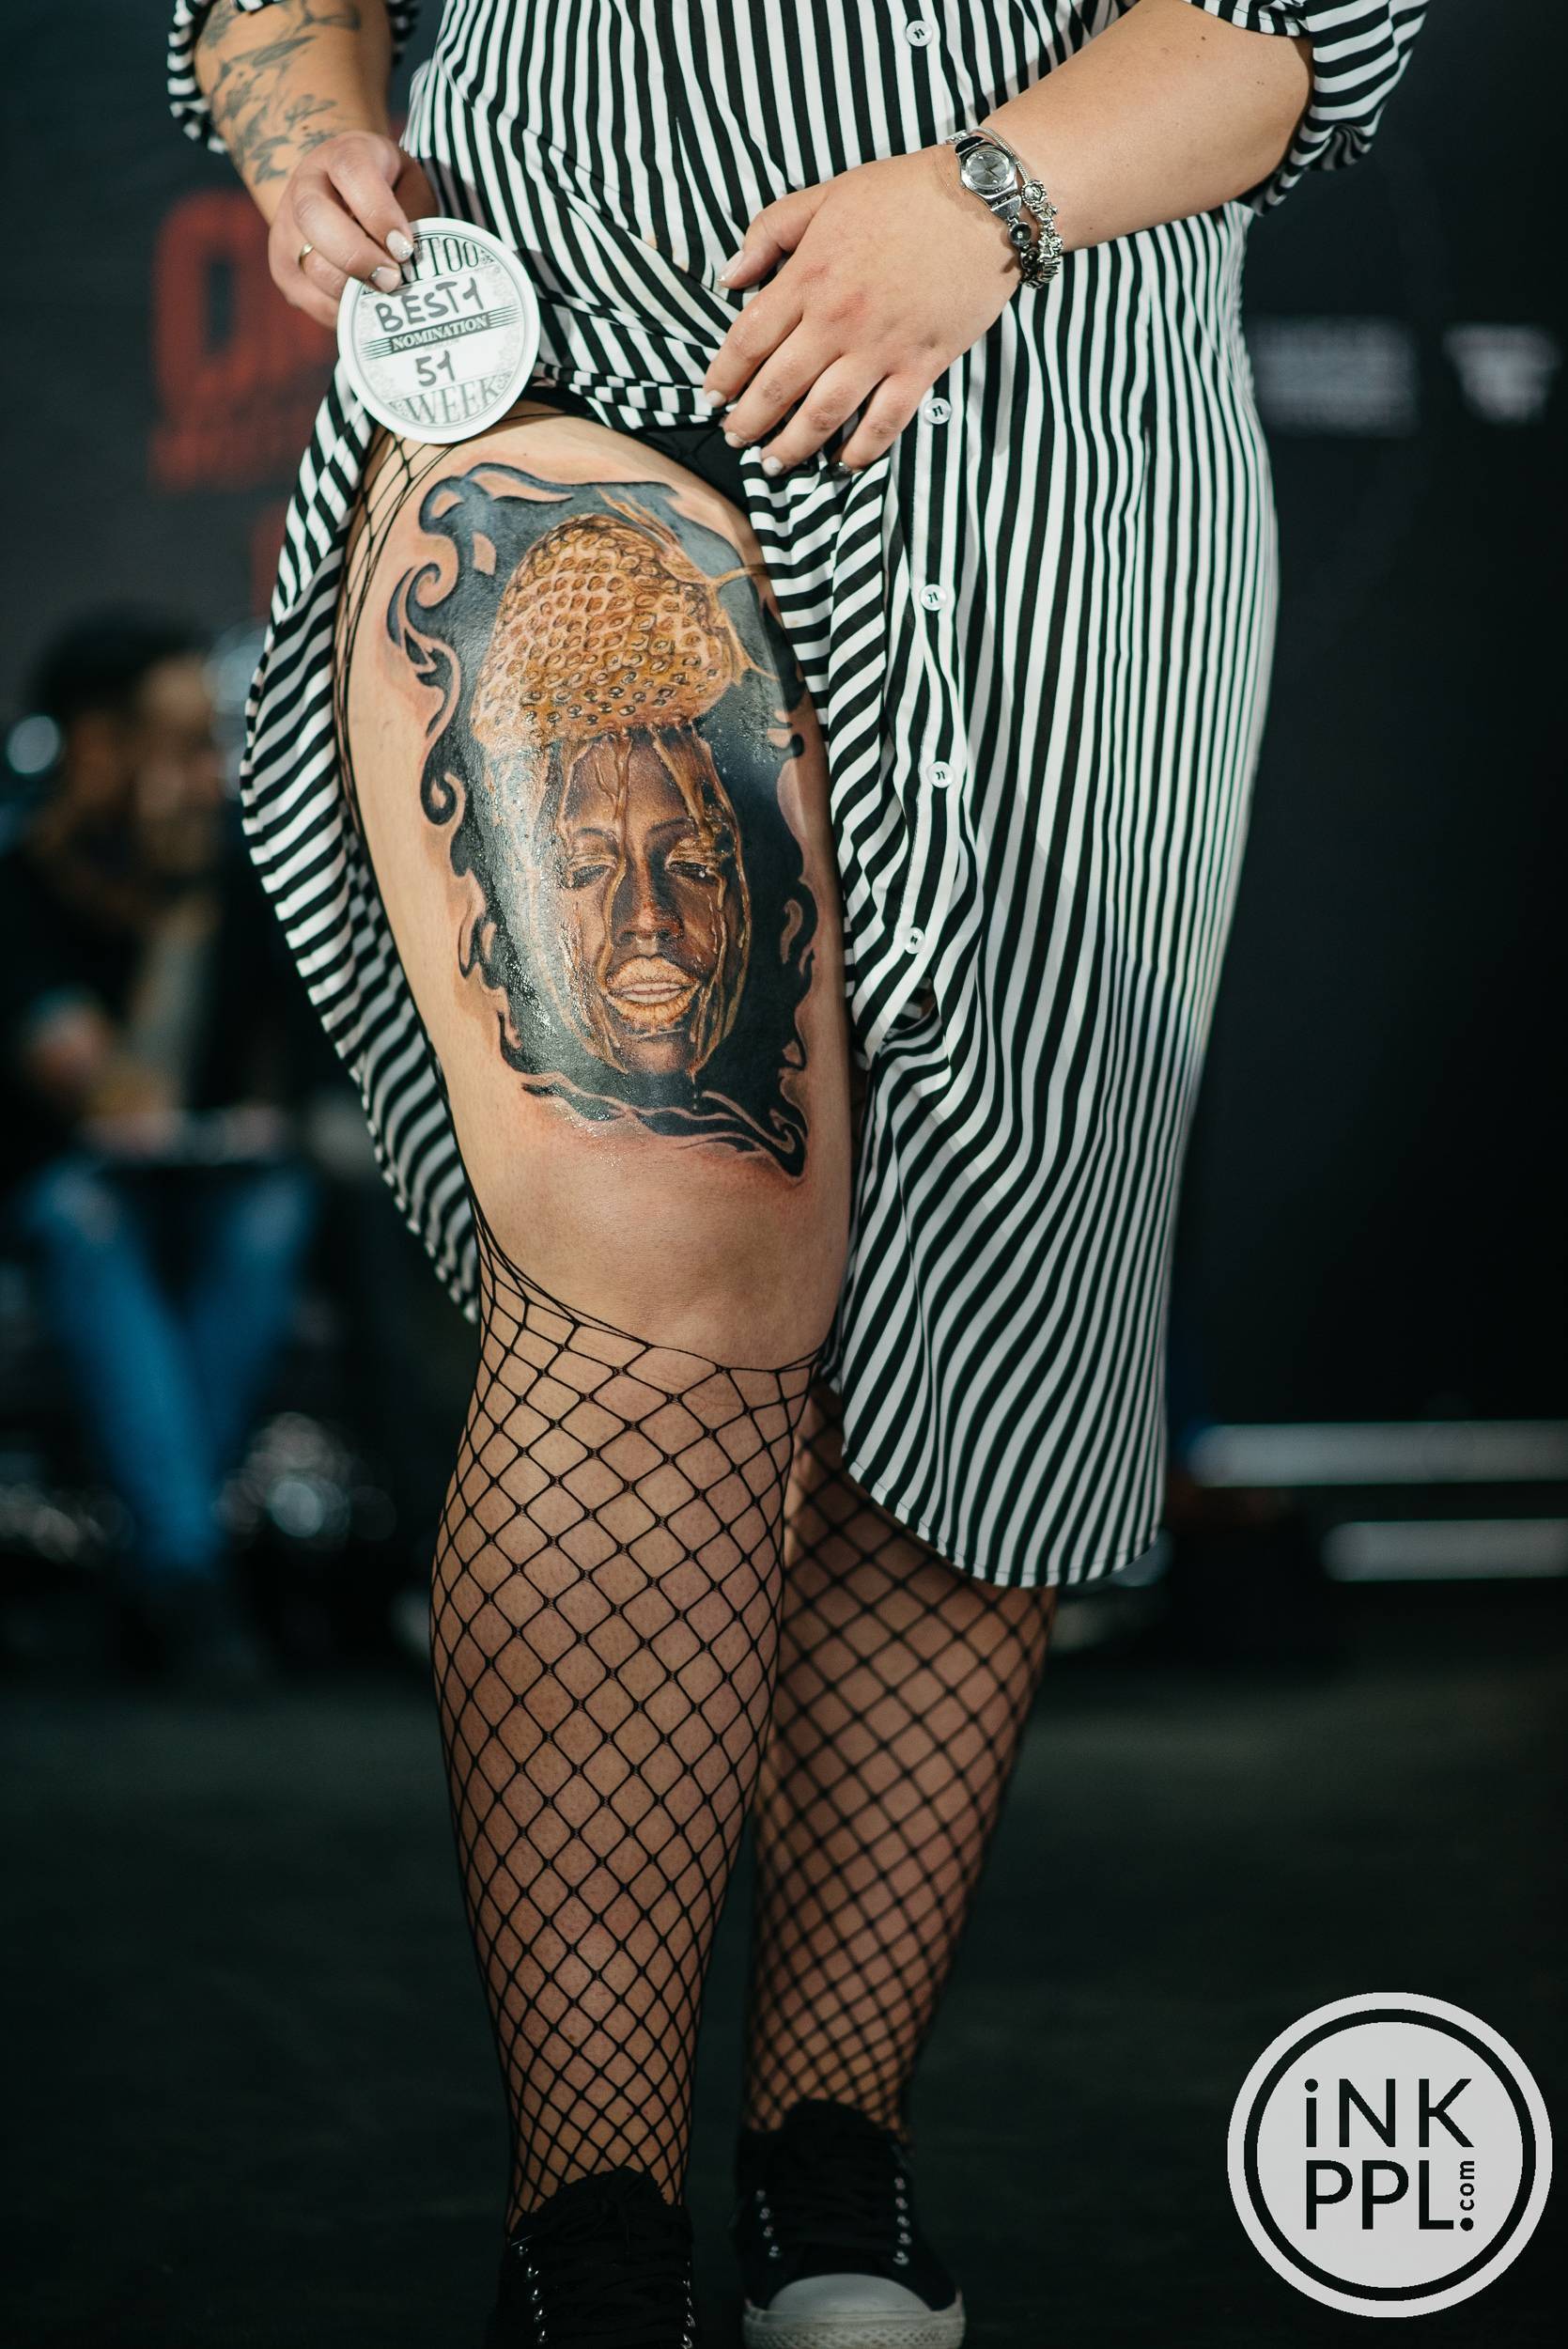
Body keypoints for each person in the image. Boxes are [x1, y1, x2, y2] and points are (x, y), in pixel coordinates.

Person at [169, 1, 1428, 2340]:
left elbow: (1300, 20)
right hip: (556, 378)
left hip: (1050, 446)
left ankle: (831, 2162)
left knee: (978, 1275)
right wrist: (311, 125)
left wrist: (990, 197)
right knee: (669, 1244)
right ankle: (592, 2230)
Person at [0, 614, 318, 1684]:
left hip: (212, 1188)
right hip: (71, 1190)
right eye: (184, 746)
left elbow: (284, 1078)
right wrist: (179, 914)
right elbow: (114, 1099)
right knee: (86, 1220)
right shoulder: (20, 886)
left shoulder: (243, 872)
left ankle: (162, 1567)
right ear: (99, 748)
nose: (212, 773)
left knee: (275, 1210)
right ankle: (184, 1570)